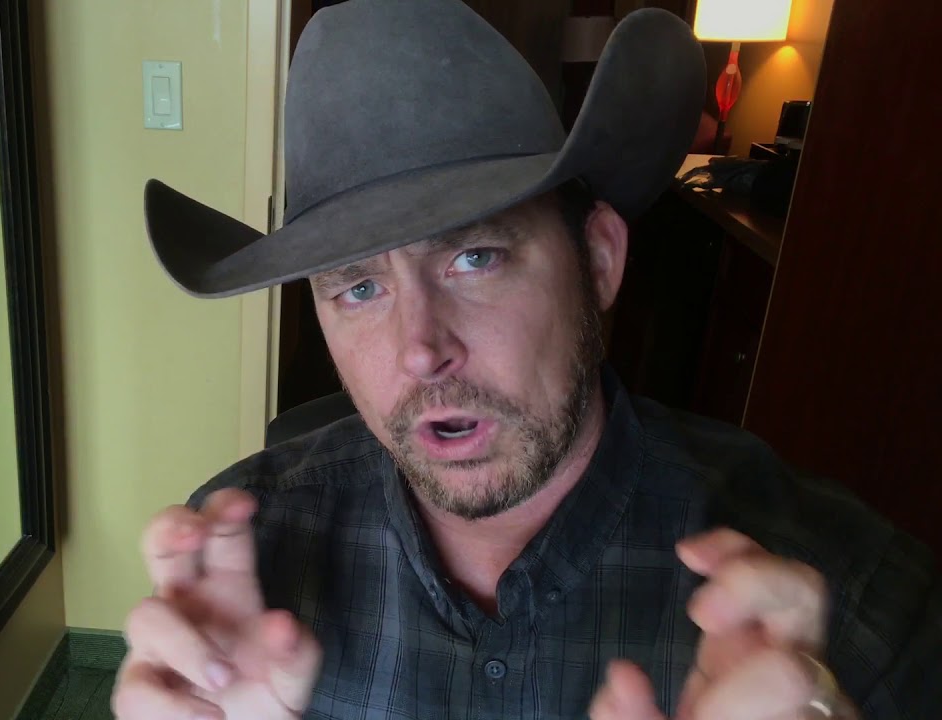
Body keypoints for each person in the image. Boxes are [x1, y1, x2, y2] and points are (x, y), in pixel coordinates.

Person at [114, 1, 941, 718]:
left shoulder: (853, 604)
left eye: (475, 257)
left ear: (600, 260)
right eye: (358, 288)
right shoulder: (245, 558)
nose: (420, 350)